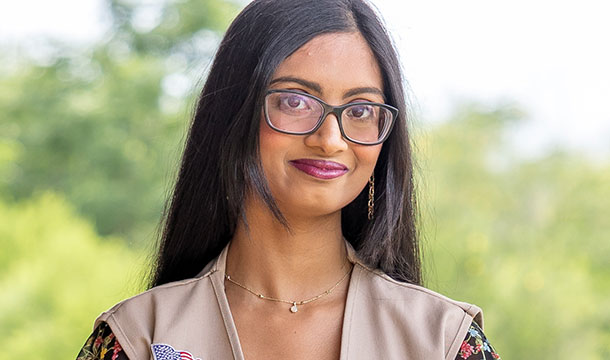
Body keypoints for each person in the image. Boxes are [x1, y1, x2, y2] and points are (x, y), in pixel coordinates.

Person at [77, 0, 501, 359]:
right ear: (232, 114)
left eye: (360, 110)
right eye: (295, 101)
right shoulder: (136, 338)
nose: (330, 139)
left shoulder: (442, 341)